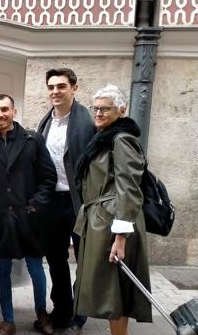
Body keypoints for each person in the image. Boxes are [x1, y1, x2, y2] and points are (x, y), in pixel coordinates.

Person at [73, 85, 151, 335]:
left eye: (104, 109)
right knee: (108, 288)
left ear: (121, 109)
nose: (98, 113)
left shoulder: (122, 140)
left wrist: (120, 237)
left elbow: (128, 189)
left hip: (113, 222)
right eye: (95, 108)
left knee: (113, 289)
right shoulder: (105, 138)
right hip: (101, 220)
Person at [0, 94, 57, 335]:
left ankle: (42, 316)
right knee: (3, 268)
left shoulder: (32, 140)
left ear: (14, 112)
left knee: (35, 267)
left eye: (4, 109)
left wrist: (35, 206)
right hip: (0, 217)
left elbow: (49, 177)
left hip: (29, 217)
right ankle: (7, 320)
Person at [36, 68, 96, 335]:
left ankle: (79, 314)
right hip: (52, 202)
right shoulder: (45, 123)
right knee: (56, 261)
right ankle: (62, 309)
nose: (55, 92)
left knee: (85, 260)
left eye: (61, 86)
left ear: (74, 87)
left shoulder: (89, 121)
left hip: (80, 202)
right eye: (51, 87)